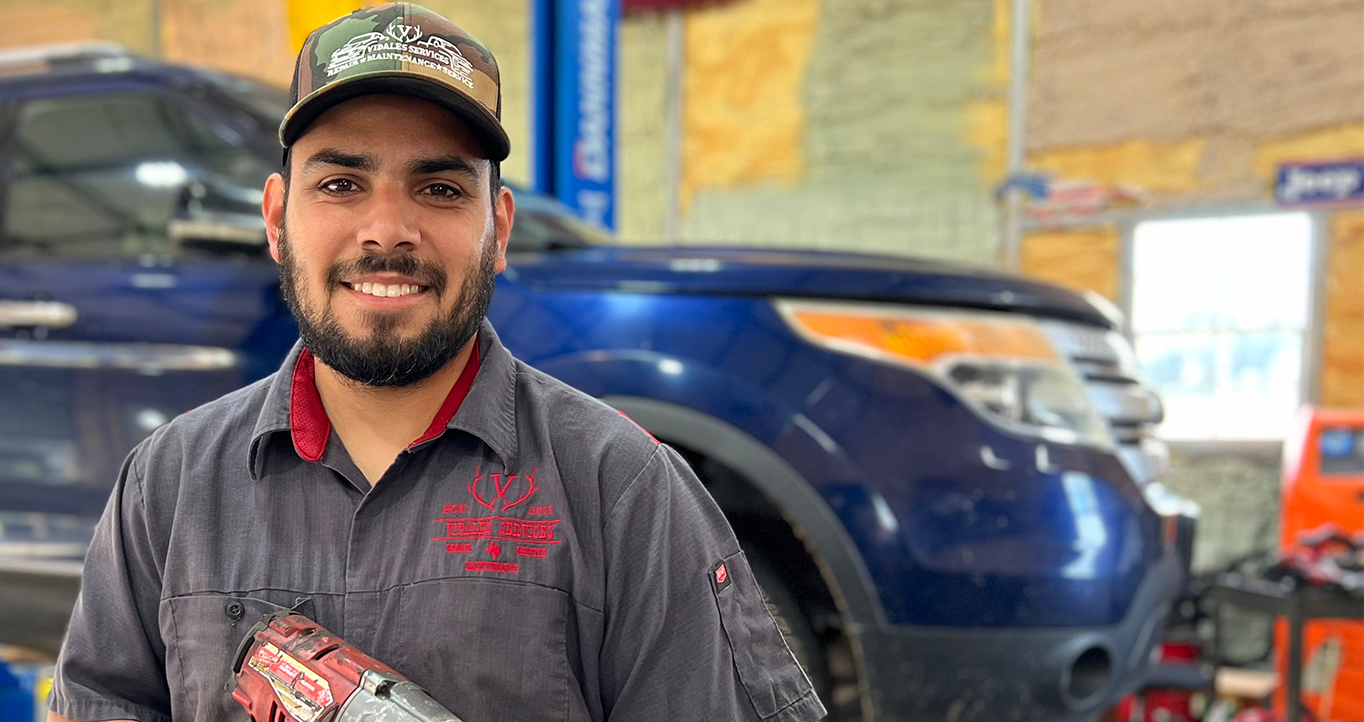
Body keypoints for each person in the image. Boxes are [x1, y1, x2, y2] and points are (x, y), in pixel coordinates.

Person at [46, 5, 826, 722]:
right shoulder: (170, 485)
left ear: (499, 228)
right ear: (278, 220)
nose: (387, 229)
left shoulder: (621, 491)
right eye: (342, 184)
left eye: (441, 188)